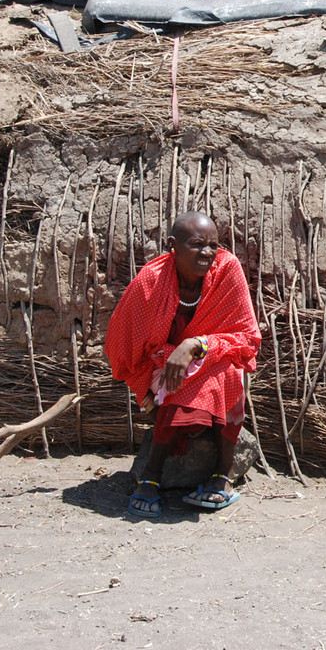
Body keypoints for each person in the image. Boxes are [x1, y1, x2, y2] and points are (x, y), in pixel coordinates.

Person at [105, 211, 261, 518]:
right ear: (172, 245)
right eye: (197, 244)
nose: (207, 252)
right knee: (178, 374)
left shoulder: (227, 269)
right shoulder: (150, 281)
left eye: (213, 245)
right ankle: (151, 476)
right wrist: (149, 383)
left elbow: (247, 339)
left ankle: (223, 476)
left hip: (215, 360)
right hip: (163, 368)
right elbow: (122, 342)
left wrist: (195, 345)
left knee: (225, 371)